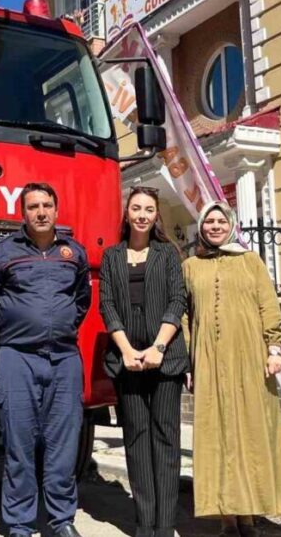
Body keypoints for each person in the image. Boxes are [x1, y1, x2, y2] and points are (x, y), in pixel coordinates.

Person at [182, 201, 281, 536]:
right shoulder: (190, 266)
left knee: (250, 434)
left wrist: (274, 349)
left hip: (251, 360)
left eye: (221, 221)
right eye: (210, 221)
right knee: (217, 435)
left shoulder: (251, 261)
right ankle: (227, 518)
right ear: (201, 227)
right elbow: (184, 316)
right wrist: (189, 361)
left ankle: (249, 515)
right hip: (208, 362)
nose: (215, 226)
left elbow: (268, 305)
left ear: (231, 225)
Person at [0, 182, 90, 537]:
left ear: (56, 211)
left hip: (64, 358)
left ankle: (62, 520)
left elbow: (81, 301)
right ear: (23, 213)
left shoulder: (74, 253)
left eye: (46, 205)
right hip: (18, 358)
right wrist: (19, 327)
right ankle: (19, 523)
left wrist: (58, 325)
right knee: (19, 444)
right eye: (33, 207)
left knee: (64, 445)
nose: (41, 212)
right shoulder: (3, 253)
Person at [98, 186, 188, 537]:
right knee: (136, 441)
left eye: (149, 209)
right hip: (128, 362)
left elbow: (177, 300)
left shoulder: (168, 253)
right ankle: (144, 523)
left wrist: (158, 347)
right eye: (136, 208)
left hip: (165, 361)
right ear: (127, 213)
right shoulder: (111, 256)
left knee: (165, 440)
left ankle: (164, 525)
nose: (142, 215)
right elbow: (107, 305)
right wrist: (125, 350)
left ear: (156, 215)